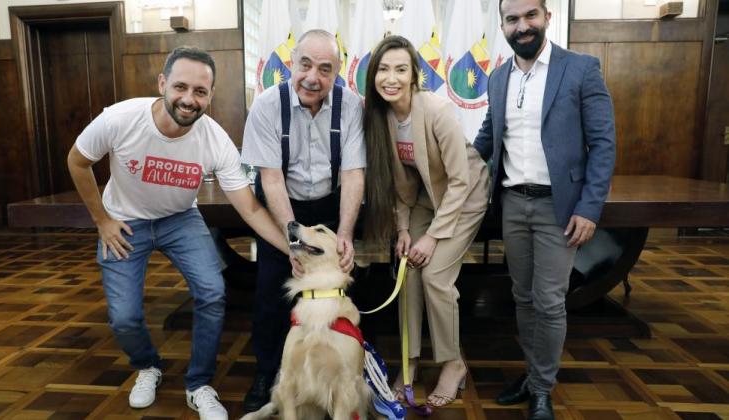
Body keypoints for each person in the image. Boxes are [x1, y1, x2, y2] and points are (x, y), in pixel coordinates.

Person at [67, 46, 289, 420]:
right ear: (163, 84)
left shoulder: (214, 139)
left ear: (211, 94)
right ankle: (147, 366)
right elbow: (77, 160)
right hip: (124, 220)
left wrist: (288, 247)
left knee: (213, 293)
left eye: (200, 92)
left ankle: (199, 384)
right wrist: (102, 220)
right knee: (124, 318)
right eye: (181, 87)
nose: (189, 99)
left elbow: (249, 207)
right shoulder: (120, 119)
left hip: (180, 219)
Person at [473, 0, 616, 418]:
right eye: (512, 19)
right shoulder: (497, 78)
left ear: (547, 17)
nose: (523, 26)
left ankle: (541, 389)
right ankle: (535, 374)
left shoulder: (581, 68)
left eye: (530, 15)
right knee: (522, 297)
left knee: (550, 300)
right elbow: (487, 137)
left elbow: (604, 143)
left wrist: (590, 208)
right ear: (502, 25)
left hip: (562, 207)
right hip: (513, 204)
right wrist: (447, 162)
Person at [240, 29, 366, 412]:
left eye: (325, 69)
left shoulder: (351, 106)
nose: (313, 77)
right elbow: (271, 178)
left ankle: (345, 374)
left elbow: (353, 174)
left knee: (341, 289)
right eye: (305, 65)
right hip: (285, 206)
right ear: (291, 65)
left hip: (331, 206)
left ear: (337, 73)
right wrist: (293, 241)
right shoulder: (266, 106)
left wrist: (344, 232)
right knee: (269, 291)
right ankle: (269, 371)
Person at [362, 35, 490, 408]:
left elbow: (460, 180)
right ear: (373, 76)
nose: (391, 77)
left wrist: (432, 237)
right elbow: (402, 185)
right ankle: (410, 359)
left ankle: (453, 363)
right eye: (384, 69)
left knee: (435, 275)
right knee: (408, 268)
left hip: (463, 196)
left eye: (401, 69)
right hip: (425, 197)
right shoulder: (380, 117)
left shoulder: (436, 109)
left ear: (415, 75)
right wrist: (403, 230)